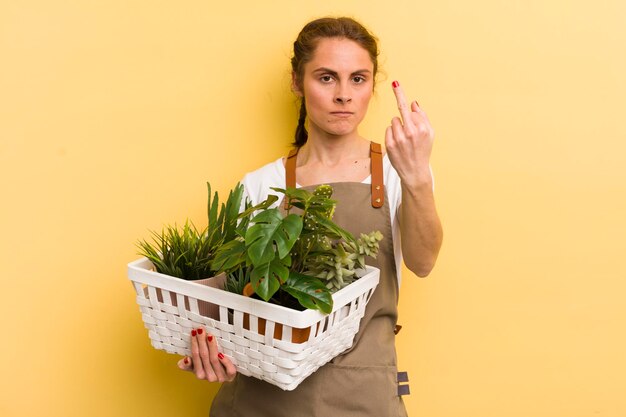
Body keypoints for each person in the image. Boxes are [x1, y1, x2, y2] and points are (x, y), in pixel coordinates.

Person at [177, 16, 443, 416]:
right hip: (260, 401)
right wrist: (207, 345)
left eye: (358, 79)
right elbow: (227, 300)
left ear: (372, 85)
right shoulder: (259, 185)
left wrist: (418, 177)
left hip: (364, 397)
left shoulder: (397, 169)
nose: (343, 95)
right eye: (326, 77)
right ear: (297, 82)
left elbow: (423, 263)